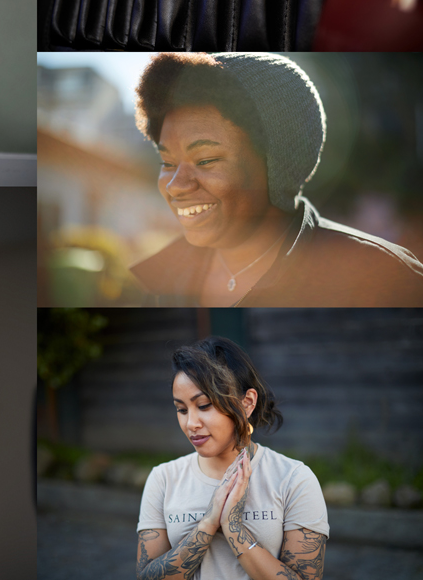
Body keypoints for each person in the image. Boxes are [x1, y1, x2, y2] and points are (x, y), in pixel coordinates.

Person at [129, 52, 423, 306]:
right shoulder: (156, 282)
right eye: (167, 162)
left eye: (205, 160)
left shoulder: (385, 279)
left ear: (278, 162)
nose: (175, 185)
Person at [137, 336, 329, 580]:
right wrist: (208, 523)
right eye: (182, 409)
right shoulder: (164, 479)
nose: (190, 424)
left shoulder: (293, 480)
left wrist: (233, 526)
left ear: (247, 403)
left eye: (204, 405)